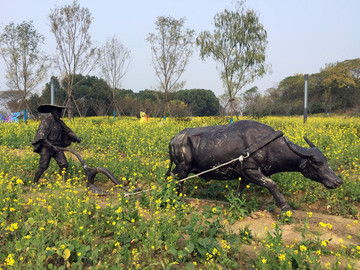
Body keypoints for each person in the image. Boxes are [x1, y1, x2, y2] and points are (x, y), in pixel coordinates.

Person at [32, 104, 81, 183]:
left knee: (64, 164)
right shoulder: (46, 121)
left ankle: (61, 181)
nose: (59, 114)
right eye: (57, 112)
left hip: (57, 147)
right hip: (47, 146)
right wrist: (51, 146)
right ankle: (35, 182)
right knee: (43, 166)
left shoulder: (60, 122)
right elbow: (42, 137)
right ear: (52, 112)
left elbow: (68, 131)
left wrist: (76, 138)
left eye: (60, 112)